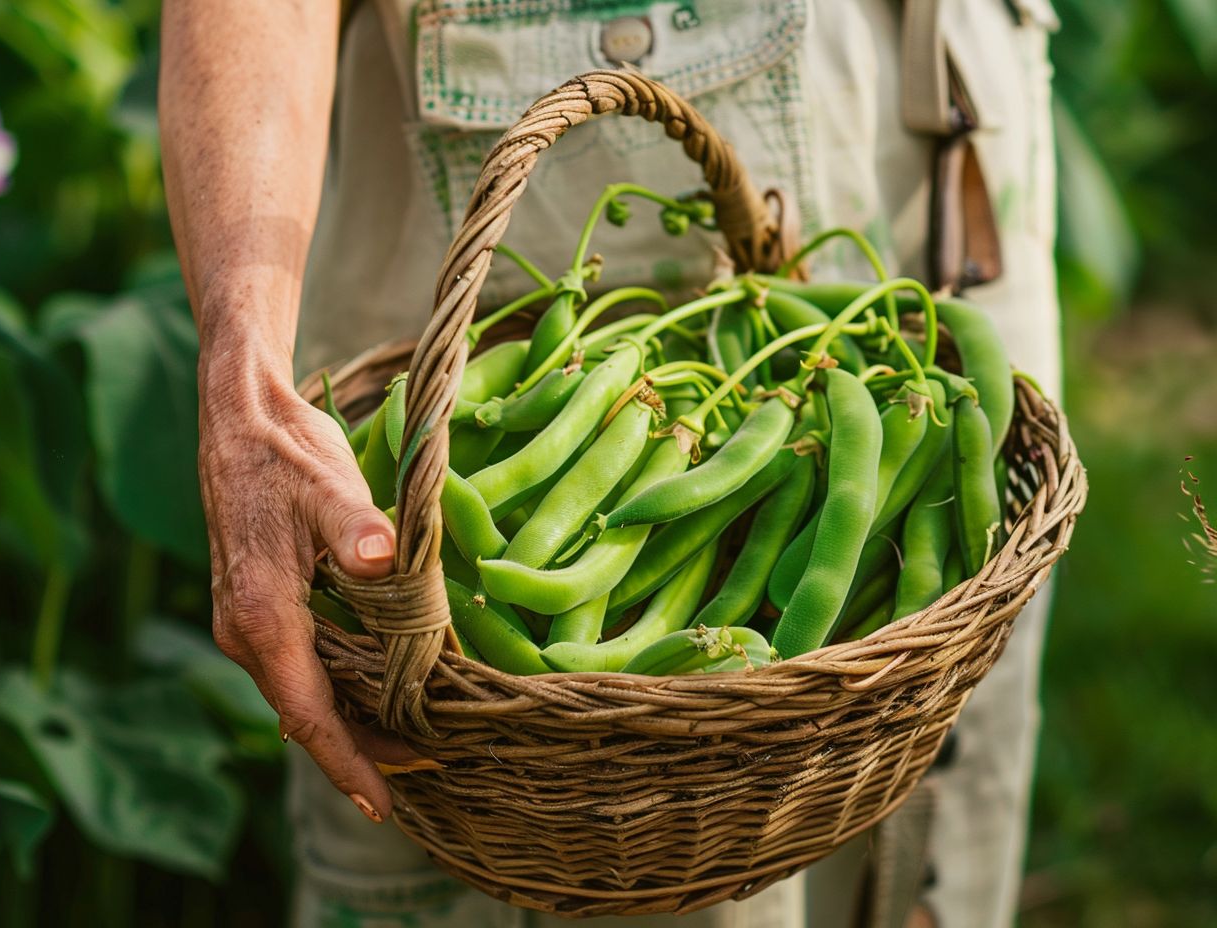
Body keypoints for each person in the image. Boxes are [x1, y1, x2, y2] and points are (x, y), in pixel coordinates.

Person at [160, 1, 1062, 925]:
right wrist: (248, 390)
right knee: (604, 804)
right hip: (515, 138)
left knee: (914, 775)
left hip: (951, 119)